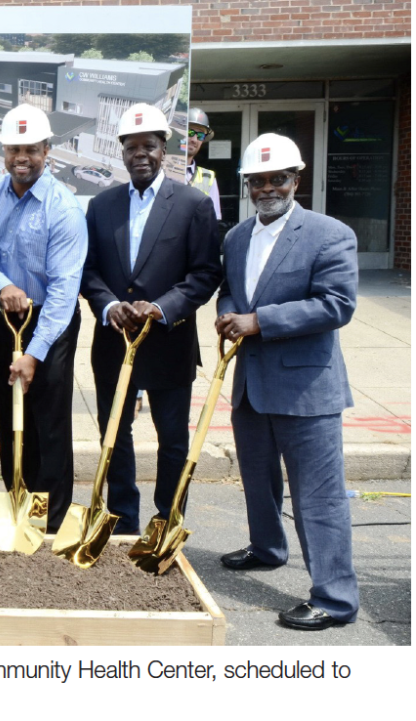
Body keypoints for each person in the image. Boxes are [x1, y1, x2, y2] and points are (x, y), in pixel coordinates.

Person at [216, 133, 359, 631]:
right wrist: (228, 314)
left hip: (306, 390)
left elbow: (336, 305)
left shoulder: (329, 233)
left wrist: (259, 321)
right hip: (252, 385)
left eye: (278, 179)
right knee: (258, 480)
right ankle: (267, 548)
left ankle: (335, 598)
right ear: (248, 186)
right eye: (258, 181)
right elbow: (230, 292)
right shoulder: (236, 238)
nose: (267, 188)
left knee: (317, 496)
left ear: (296, 180)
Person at [81, 102, 221, 536]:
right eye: (132, 147)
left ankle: (167, 518)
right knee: (115, 435)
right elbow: (89, 271)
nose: (140, 154)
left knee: (172, 440)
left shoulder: (193, 204)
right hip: (114, 343)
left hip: (168, 342)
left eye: (150, 146)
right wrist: (108, 306)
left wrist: (160, 308)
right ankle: (123, 517)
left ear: (164, 149)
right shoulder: (101, 206)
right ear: (121, 152)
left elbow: (205, 274)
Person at [0, 104, 87, 534]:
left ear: (46, 150)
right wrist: (2, 285)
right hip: (7, 316)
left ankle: (48, 518)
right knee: (10, 409)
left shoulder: (64, 208)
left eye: (31, 149)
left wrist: (34, 355)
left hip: (50, 322)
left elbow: (63, 291)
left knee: (47, 418)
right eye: (14, 148)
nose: (22, 157)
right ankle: (17, 496)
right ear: (4, 150)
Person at [185, 108, 221, 220]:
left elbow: (212, 220)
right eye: (190, 132)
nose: (194, 140)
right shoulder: (161, 170)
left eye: (200, 135)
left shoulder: (208, 177)